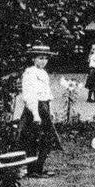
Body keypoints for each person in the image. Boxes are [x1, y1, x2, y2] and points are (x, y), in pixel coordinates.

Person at [18, 44, 61, 177]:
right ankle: (32, 170)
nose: (43, 61)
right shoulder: (30, 73)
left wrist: (49, 111)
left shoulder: (43, 73)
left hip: (44, 107)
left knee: (47, 139)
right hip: (34, 109)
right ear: (33, 59)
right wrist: (36, 114)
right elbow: (30, 95)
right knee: (32, 139)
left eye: (45, 58)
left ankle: (39, 167)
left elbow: (46, 94)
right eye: (40, 58)